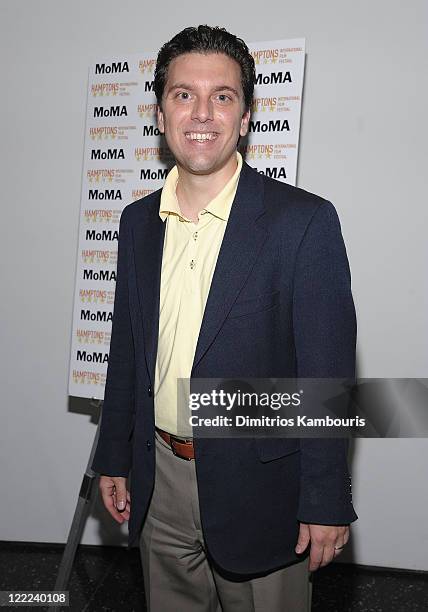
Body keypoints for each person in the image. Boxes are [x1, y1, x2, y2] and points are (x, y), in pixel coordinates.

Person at [92, 25, 357, 612]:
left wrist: (324, 500)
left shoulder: (303, 223)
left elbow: (326, 381)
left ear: (244, 118)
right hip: (158, 480)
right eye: (184, 95)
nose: (202, 113)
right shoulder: (137, 224)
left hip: (263, 490)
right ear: (160, 114)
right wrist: (115, 454)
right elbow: (127, 352)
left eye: (223, 96)